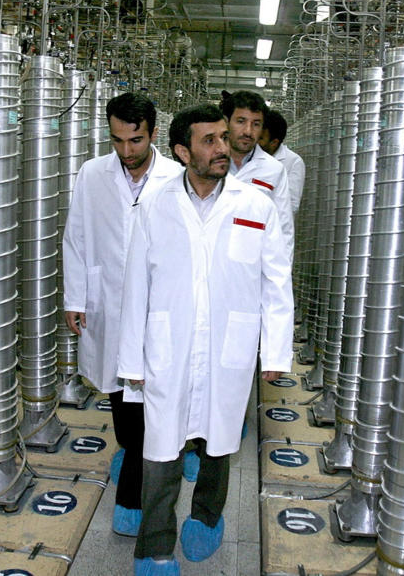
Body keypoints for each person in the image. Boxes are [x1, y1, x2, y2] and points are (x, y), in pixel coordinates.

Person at [118, 104, 294, 575]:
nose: (225, 147)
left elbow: (276, 280)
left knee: (219, 442)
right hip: (167, 344)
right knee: (161, 450)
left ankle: (207, 516)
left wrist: (275, 349)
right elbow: (136, 283)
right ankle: (154, 547)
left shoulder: (255, 203)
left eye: (224, 137)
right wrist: (130, 360)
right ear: (182, 151)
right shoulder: (155, 203)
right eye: (210, 140)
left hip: (228, 346)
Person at [62, 91, 180, 537]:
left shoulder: (175, 176)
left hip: (158, 308)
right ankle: (133, 453)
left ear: (152, 133)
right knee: (118, 390)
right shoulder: (93, 174)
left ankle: (133, 494)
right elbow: (75, 237)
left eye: (135, 141)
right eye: (117, 141)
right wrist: (76, 297)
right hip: (108, 302)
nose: (126, 151)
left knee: (150, 399)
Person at [220, 90, 294, 251]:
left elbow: (283, 229)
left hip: (253, 263)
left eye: (256, 124)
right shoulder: (208, 161)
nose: (248, 131)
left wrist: (280, 274)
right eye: (241, 121)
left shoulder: (274, 170)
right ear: (226, 122)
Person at [259, 108, 305, 217]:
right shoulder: (249, 156)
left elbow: (291, 205)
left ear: (274, 142)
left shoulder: (293, 162)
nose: (255, 142)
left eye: (261, 138)